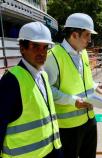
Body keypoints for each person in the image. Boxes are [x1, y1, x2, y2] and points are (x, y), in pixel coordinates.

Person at [44, 13, 102, 158]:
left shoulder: (83, 53)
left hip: (89, 119)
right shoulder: (53, 56)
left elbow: (81, 81)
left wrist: (95, 86)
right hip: (68, 127)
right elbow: (47, 89)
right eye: (87, 35)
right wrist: (72, 101)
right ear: (75, 35)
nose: (90, 40)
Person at [0, 22, 62, 158]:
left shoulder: (43, 75)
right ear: (22, 48)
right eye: (35, 46)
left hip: (50, 151)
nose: (42, 52)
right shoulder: (11, 81)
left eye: (45, 47)